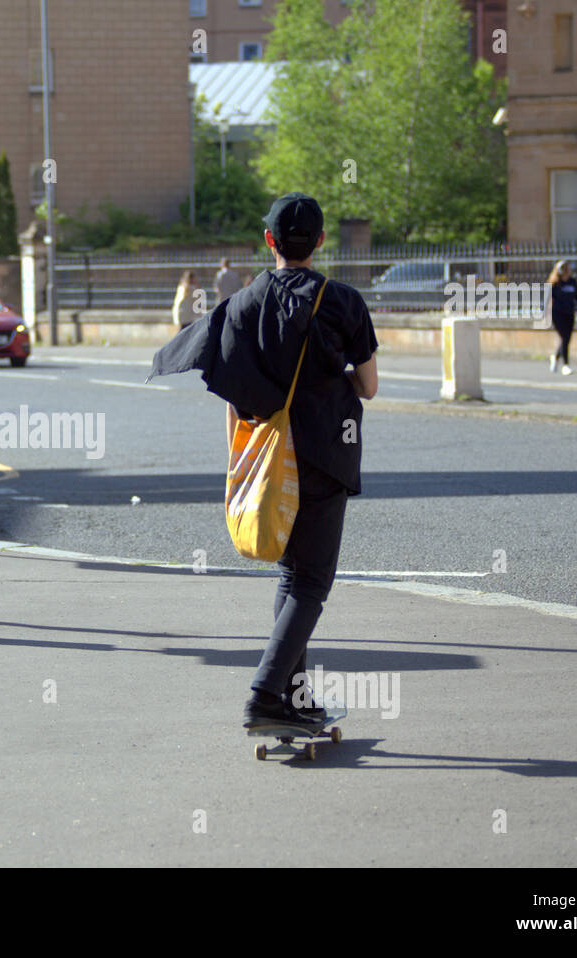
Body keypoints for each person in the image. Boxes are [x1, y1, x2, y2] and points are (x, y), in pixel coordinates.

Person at [149, 192, 379, 729]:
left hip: (269, 454)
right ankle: (263, 695)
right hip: (326, 453)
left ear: (269, 242)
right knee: (313, 582)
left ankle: (293, 702)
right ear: (320, 241)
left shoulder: (244, 303)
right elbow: (367, 386)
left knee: (290, 575)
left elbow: (234, 392)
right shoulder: (343, 301)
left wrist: (239, 462)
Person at [547, 260, 577, 375]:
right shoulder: (554, 284)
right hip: (557, 314)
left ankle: (555, 357)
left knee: (566, 339)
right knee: (564, 338)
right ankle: (565, 365)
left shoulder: (572, 282)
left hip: (569, 313)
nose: (568, 271)